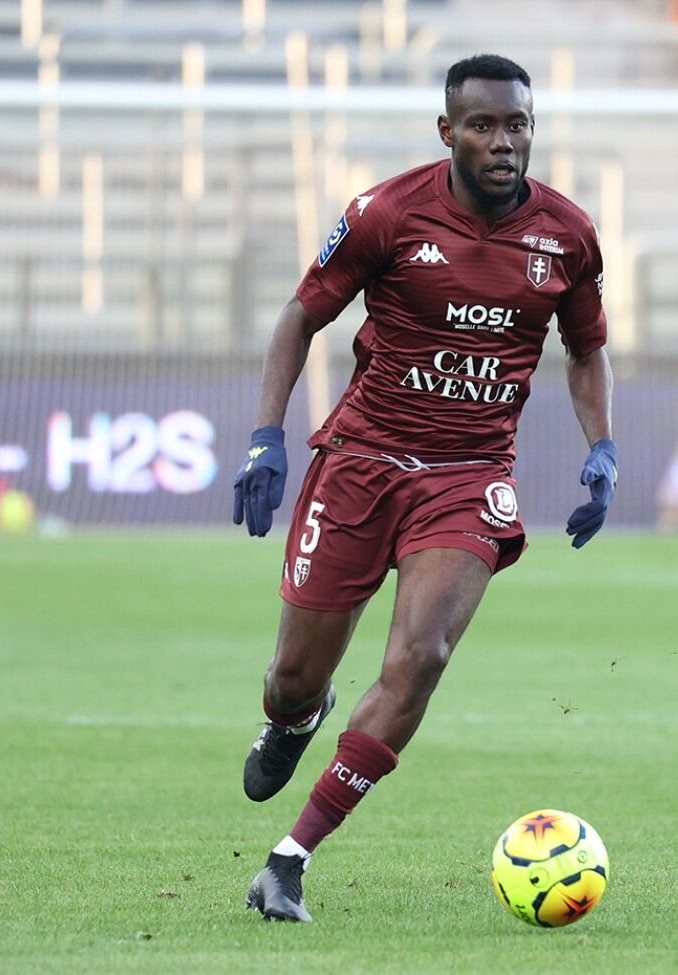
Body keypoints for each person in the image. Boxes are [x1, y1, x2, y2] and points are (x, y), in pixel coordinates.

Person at [230, 54, 617, 922]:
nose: (503, 141)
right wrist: (265, 436)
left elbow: (587, 348)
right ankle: (296, 718)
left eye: (517, 124)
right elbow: (301, 315)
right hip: (361, 461)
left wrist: (604, 447)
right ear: (448, 132)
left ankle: (290, 858)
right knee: (293, 676)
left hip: (469, 477)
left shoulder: (567, 235)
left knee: (421, 658)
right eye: (483, 125)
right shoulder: (387, 213)